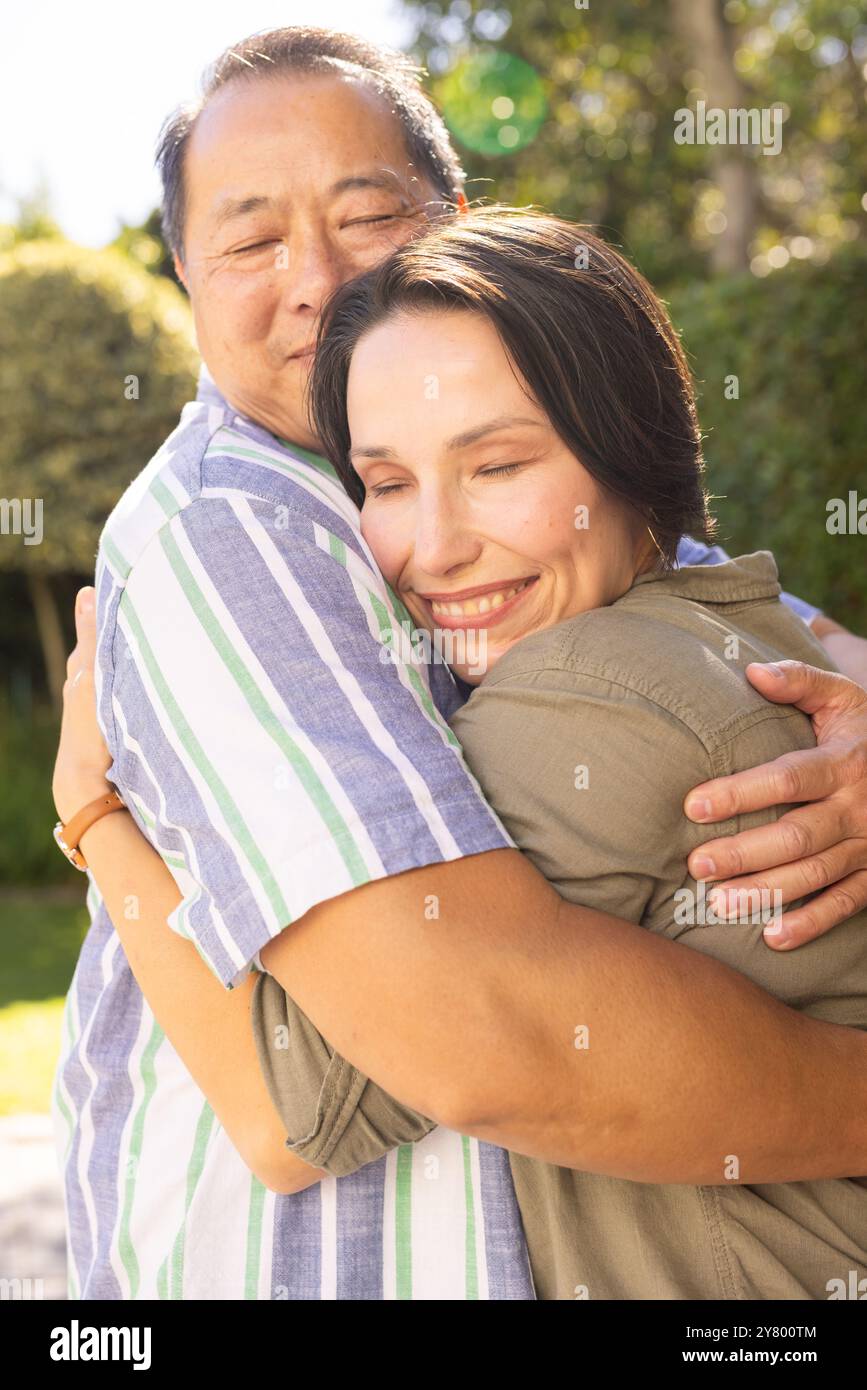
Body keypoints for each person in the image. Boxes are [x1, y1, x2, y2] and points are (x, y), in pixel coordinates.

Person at [52, 27, 867, 1301]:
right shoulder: (238, 526)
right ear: (185, 276)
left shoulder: (532, 507)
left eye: (367, 215)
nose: (313, 280)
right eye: (252, 242)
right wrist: (94, 818)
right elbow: (405, 1062)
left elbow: (730, 595)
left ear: (453, 220)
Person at [247, 209, 867, 1299]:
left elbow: (298, 1105)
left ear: (631, 448)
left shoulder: (583, 690)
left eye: (495, 465)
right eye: (388, 484)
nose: (433, 547)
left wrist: (98, 817)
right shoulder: (737, 626)